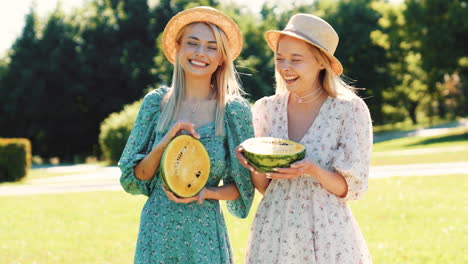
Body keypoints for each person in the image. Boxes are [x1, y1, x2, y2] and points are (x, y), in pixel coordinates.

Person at [118, 6, 254, 264]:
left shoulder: (233, 111)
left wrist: (206, 193)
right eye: (192, 43)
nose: (200, 53)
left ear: (221, 58)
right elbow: (134, 178)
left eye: (212, 47)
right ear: (178, 48)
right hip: (157, 232)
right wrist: (165, 141)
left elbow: (242, 187)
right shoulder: (156, 104)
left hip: (205, 235)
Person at [236, 13, 373, 263]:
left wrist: (312, 170)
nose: (285, 67)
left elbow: (353, 188)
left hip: (328, 235)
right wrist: (253, 165)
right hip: (274, 232)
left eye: (296, 59)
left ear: (321, 62)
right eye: (280, 58)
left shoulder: (348, 110)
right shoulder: (267, 109)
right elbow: (266, 187)